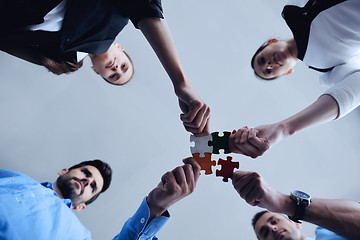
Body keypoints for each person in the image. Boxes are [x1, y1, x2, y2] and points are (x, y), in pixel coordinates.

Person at [0, 0, 210, 135]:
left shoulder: (61, 60)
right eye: (124, 66)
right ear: (120, 47)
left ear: (97, 72)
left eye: (113, 76)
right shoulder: (117, 14)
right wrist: (180, 82)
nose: (116, 69)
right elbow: (145, 7)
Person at [230, 0, 360, 158]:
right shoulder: (330, 70)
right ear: (288, 72)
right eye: (269, 72)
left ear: (271, 42)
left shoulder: (293, 7)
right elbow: (352, 93)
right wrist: (283, 129)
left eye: (262, 60)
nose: (269, 65)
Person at [0, 157, 200, 239]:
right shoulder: (13, 178)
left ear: (82, 207)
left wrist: (154, 208)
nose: (87, 181)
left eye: (93, 187)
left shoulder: (79, 236)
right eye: (85, 173)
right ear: (63, 171)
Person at [231, 169, 360, 239]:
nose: (272, 228)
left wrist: (285, 203)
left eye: (275, 221)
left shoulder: (328, 229)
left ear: (296, 224)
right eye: (265, 233)